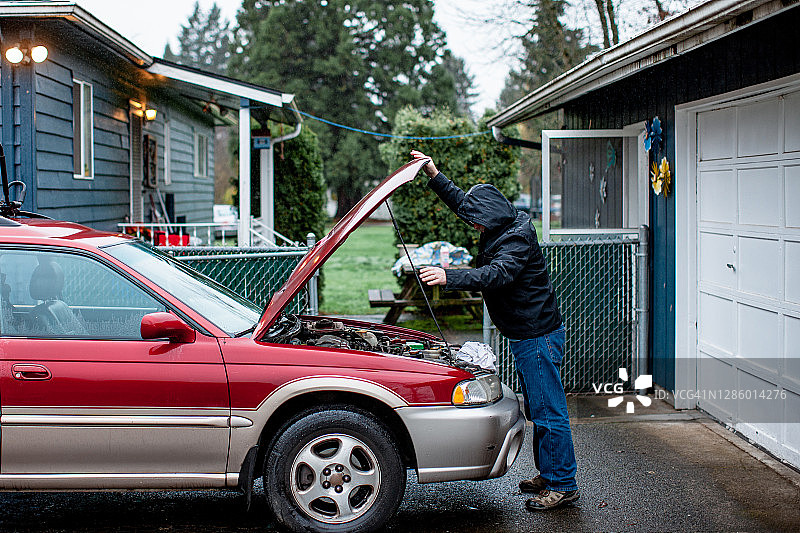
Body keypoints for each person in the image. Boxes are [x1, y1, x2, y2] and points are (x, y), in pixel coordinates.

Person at [410, 150, 579, 511]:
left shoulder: (517, 238)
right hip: (525, 335)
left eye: (478, 223)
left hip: (537, 337)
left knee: (549, 411)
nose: (475, 227)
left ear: (491, 218)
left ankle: (563, 484)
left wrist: (449, 276)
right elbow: (462, 203)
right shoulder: (501, 221)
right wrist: (433, 172)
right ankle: (550, 475)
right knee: (537, 409)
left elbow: (497, 274)